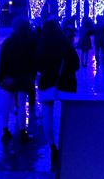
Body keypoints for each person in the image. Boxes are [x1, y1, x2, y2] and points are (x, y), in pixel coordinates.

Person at [34, 19, 79, 169]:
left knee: (47, 117)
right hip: (66, 84)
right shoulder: (65, 43)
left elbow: (37, 65)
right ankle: (65, 144)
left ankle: (53, 147)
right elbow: (76, 64)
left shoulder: (41, 45)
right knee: (65, 116)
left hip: (47, 84)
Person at [0, 17, 38, 144]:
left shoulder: (8, 42)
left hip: (10, 78)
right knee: (21, 105)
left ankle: (5, 128)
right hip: (24, 78)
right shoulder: (31, 42)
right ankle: (22, 130)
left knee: (7, 103)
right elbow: (34, 62)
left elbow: (2, 62)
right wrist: (32, 76)